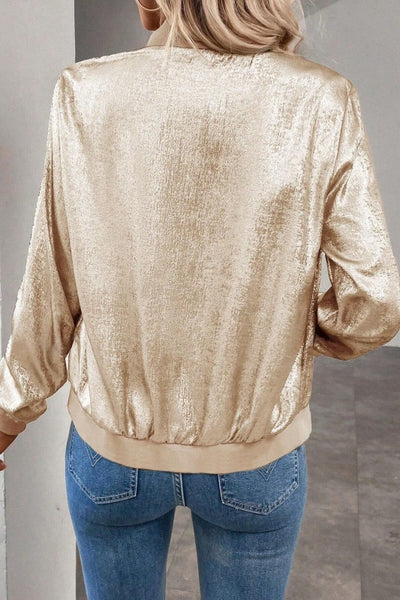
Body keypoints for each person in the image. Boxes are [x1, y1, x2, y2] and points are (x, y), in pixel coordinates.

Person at [1, 1, 400, 598]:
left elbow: (50, 286)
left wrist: (7, 414)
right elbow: (374, 303)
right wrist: (287, 336)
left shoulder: (85, 92)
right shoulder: (322, 98)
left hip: (113, 455)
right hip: (255, 458)